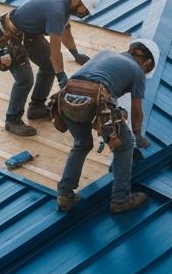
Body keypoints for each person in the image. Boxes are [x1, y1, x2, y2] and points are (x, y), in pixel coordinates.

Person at [55, 38, 158, 214]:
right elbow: (137, 109)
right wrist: (137, 135)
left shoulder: (105, 53)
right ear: (147, 62)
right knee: (124, 144)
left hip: (66, 96)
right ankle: (121, 199)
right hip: (95, 98)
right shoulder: (138, 72)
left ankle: (64, 196)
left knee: (82, 143)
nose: (144, 73)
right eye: (147, 69)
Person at [3, 0, 101, 137]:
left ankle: (36, 108)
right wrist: (62, 78)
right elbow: (55, 50)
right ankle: (12, 120)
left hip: (29, 35)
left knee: (48, 66)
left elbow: (66, 31)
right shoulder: (56, 10)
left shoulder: (65, 5)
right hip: (9, 36)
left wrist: (75, 53)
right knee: (25, 80)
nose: (85, 13)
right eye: (85, 8)